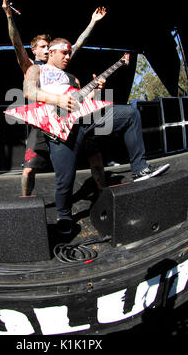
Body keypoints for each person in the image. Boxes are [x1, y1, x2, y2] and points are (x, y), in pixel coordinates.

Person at [23, 39, 170, 234]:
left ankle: (140, 169)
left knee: (130, 114)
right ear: (51, 52)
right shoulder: (36, 70)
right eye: (64, 53)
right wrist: (57, 99)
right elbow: (28, 91)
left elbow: (83, 100)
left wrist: (97, 91)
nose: (68, 57)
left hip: (85, 120)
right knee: (65, 179)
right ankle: (64, 216)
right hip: (59, 127)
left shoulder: (72, 78)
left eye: (69, 53)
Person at [2, 0, 107, 195]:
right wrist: (9, 15)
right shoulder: (31, 66)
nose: (47, 49)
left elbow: (76, 45)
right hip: (42, 123)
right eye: (42, 47)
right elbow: (16, 42)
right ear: (33, 50)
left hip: (67, 118)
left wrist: (92, 22)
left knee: (95, 154)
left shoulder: (59, 69)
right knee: (29, 169)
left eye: (48, 47)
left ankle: (103, 192)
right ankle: (25, 203)